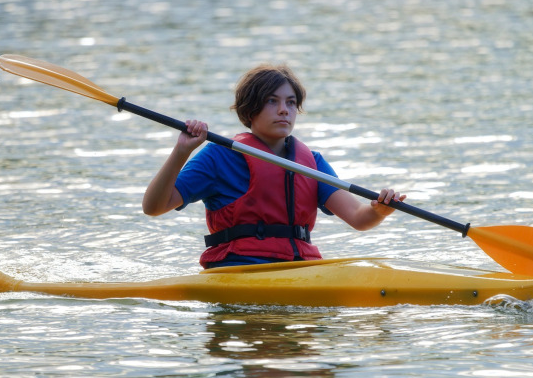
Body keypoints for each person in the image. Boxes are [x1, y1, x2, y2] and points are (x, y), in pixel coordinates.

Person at [143, 64, 406, 269]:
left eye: (291, 102)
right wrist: (182, 151)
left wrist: (379, 211)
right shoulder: (218, 157)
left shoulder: (312, 162)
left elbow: (359, 218)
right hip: (239, 269)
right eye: (272, 101)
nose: (284, 110)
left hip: (299, 268)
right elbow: (154, 207)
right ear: (249, 111)